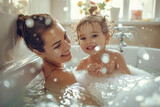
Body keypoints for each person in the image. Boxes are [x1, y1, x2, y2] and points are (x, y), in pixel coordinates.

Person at [17, 13, 99, 106]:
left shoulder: (49, 71)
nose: (68, 46)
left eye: (65, 36)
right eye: (57, 45)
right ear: (39, 53)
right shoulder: (64, 76)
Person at [76, 6, 131, 77]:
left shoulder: (116, 57)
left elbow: (128, 79)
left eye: (94, 35)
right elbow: (75, 83)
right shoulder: (84, 64)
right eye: (83, 38)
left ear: (107, 37)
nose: (88, 41)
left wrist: (103, 77)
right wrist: (88, 76)